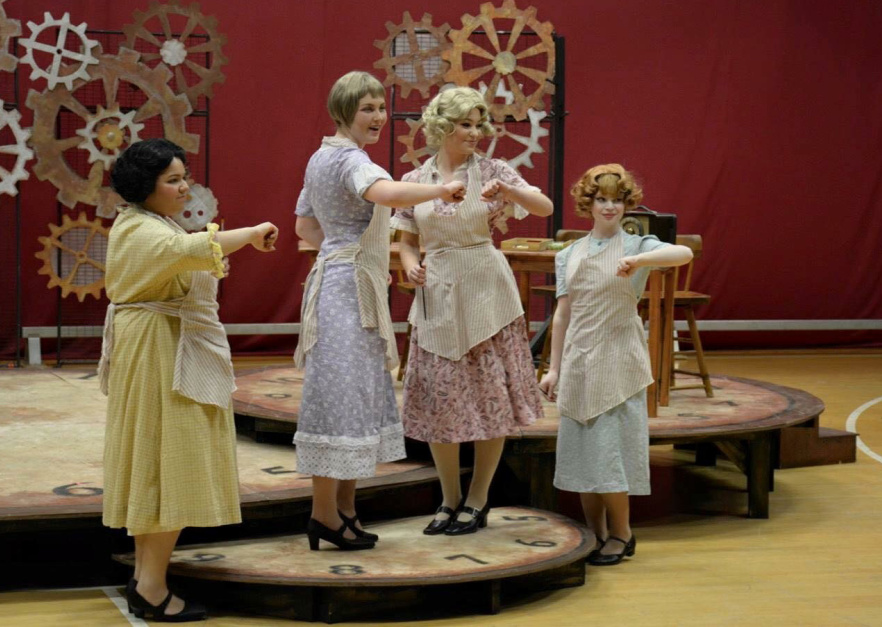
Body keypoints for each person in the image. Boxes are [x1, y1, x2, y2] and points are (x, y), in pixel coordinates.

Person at [99, 138, 279, 621]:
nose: (184, 188)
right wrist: (252, 231)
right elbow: (188, 248)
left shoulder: (150, 222)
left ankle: (146, 579)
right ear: (146, 187)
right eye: (173, 180)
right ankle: (152, 588)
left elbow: (185, 253)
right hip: (157, 349)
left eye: (185, 177)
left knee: (161, 461)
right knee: (166, 461)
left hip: (161, 343)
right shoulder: (141, 229)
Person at [293, 71, 466, 551]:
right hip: (346, 289)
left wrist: (350, 250)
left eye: (380, 107)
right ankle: (324, 514)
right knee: (338, 400)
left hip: (342, 280)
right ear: (344, 111)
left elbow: (306, 228)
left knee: (355, 400)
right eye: (367, 108)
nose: (378, 117)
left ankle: (345, 511)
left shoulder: (319, 157)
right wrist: (440, 190)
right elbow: (386, 194)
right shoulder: (350, 159)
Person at [392, 87, 552, 536]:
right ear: (442, 126)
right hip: (439, 291)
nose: (475, 132)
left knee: (488, 398)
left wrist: (514, 193)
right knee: (441, 400)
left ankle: (479, 497)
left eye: (479, 123)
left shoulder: (493, 169)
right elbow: (404, 239)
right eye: (465, 123)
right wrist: (410, 265)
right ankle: (448, 497)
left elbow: (546, 206)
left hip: (486, 289)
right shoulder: (416, 178)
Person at [539, 164, 692, 565]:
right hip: (579, 359)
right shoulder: (570, 253)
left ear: (628, 204)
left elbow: (684, 253)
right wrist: (553, 369)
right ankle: (596, 533)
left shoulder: (638, 246)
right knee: (581, 454)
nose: (609, 207)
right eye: (602, 199)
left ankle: (623, 534)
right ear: (588, 204)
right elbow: (561, 315)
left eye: (617, 200)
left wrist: (640, 264)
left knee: (608, 452)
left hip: (618, 357)